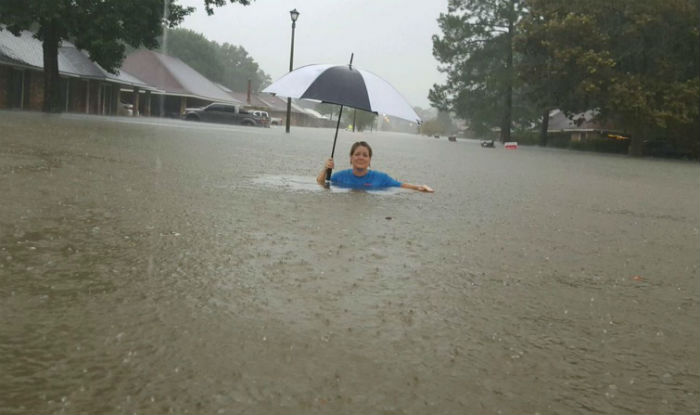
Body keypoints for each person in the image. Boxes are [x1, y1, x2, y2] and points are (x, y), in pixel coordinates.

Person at [316, 141, 434, 192]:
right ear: (350, 158)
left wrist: (419, 188)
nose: (361, 157)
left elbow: (400, 185)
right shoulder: (339, 177)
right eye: (357, 154)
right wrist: (326, 169)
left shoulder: (381, 178)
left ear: (370, 160)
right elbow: (321, 183)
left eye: (365, 155)